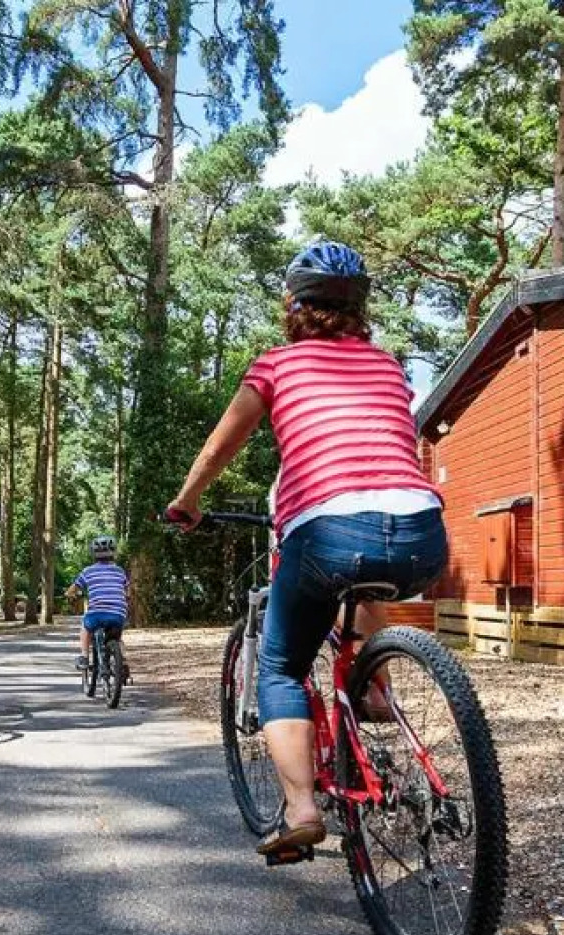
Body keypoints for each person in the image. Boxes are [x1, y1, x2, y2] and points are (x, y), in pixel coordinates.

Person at [165, 239, 447, 859]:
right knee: (371, 578)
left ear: (293, 304)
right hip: (424, 529)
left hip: (326, 533)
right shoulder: (387, 365)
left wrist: (187, 500)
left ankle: (299, 810)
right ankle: (377, 688)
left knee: (282, 667)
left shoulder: (276, 366)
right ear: (359, 308)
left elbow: (217, 450)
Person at [66, 536, 130, 678]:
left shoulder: (88, 571)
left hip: (97, 614)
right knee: (117, 639)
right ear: (113, 552)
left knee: (86, 626)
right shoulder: (119, 571)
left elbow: (73, 589)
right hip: (118, 614)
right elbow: (127, 591)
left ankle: (84, 656)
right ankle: (123, 662)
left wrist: (69, 594)